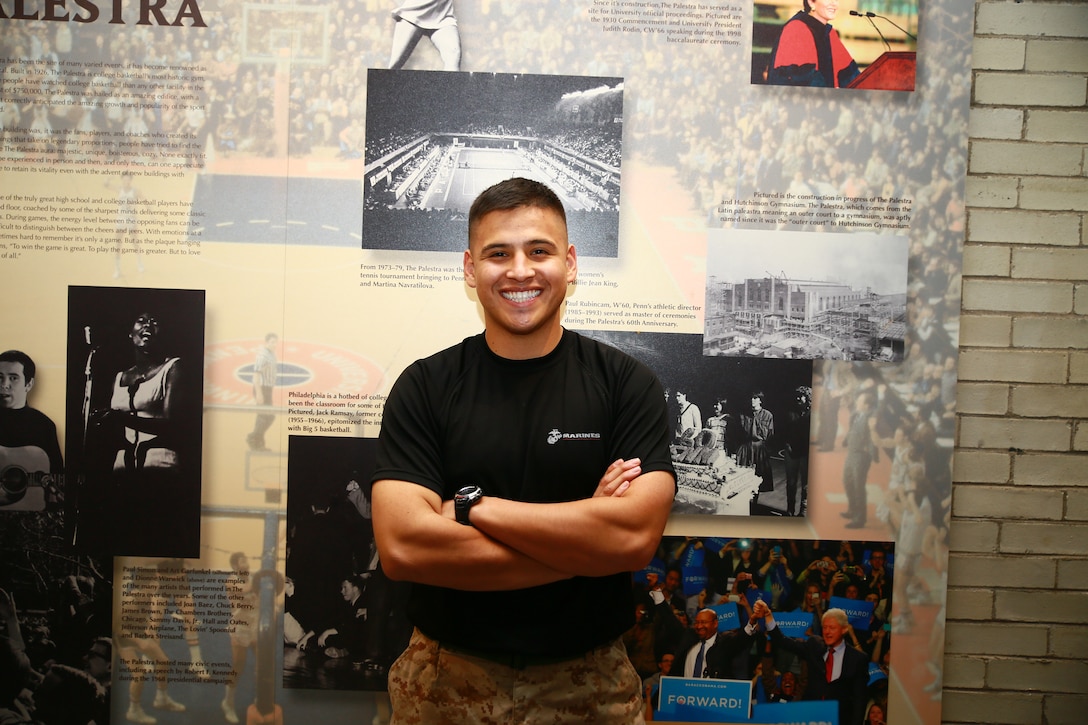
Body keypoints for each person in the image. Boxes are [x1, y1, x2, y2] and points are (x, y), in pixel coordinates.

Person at [370, 177, 676, 722]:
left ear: (571, 263)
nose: (519, 270)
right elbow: (403, 547)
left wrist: (471, 507)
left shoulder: (626, 384)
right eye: (497, 253)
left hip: (591, 686)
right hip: (445, 683)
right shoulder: (424, 386)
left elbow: (631, 537)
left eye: (540, 250)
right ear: (470, 268)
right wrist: (585, 543)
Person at [760, 606, 869, 725]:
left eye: (832, 628)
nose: (827, 632)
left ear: (844, 629)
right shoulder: (814, 645)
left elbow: (860, 700)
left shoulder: (858, 659)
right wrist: (768, 616)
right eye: (825, 628)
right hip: (811, 717)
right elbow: (783, 641)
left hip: (840, 719)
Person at [0, 350, 62, 509]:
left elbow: (57, 479)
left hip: (28, 519)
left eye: (13, 378)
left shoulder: (44, 426)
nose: (4, 384)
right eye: (0, 377)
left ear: (29, 384)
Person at [766, 0, 860, 88]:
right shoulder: (796, 29)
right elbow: (799, 79)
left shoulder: (829, 33)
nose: (834, 3)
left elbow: (850, 74)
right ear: (811, 2)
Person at [680, 607, 760, 679]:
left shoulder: (724, 643)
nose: (699, 626)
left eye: (703, 622)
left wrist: (751, 623)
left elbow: (740, 639)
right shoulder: (688, 640)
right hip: (685, 692)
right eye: (697, 622)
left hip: (713, 693)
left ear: (715, 623)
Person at [388, 0, 461, 71]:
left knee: (454, 55)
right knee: (395, 64)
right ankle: (383, 82)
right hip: (414, 11)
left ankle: (449, 83)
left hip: (442, 12)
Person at [782, 385, 812, 516]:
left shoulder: (814, 414)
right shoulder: (790, 413)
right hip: (791, 452)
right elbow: (784, 431)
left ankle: (803, 511)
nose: (798, 398)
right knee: (791, 482)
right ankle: (790, 510)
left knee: (806, 485)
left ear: (808, 398)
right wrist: (787, 444)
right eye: (797, 396)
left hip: (807, 454)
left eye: (802, 396)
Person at [738, 391, 775, 493]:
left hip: (759, 448)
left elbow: (770, 434)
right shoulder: (743, 414)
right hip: (746, 448)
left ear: (760, 400)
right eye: (751, 398)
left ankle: (755, 503)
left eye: (755, 398)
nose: (752, 400)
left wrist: (766, 449)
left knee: (759, 478)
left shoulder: (767, 415)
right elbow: (740, 432)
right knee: (743, 477)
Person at [247, 333, 278, 452]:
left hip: (268, 388)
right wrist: (259, 393)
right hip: (262, 388)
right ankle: (253, 438)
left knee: (264, 416)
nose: (274, 344)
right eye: (271, 342)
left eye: (275, 342)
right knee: (267, 416)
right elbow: (256, 375)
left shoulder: (272, 354)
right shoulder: (263, 356)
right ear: (266, 342)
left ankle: (258, 442)